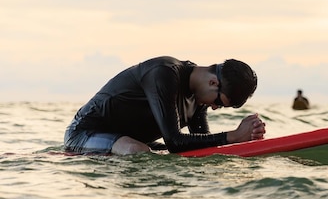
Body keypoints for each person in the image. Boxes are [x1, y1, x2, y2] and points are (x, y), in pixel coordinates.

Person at [64, 56, 266, 155]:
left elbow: (198, 147)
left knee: (159, 154)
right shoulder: (164, 73)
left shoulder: (199, 99)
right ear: (213, 82)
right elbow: (174, 142)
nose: (214, 108)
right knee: (136, 150)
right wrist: (233, 136)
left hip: (131, 141)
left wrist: (244, 142)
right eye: (219, 103)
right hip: (83, 134)